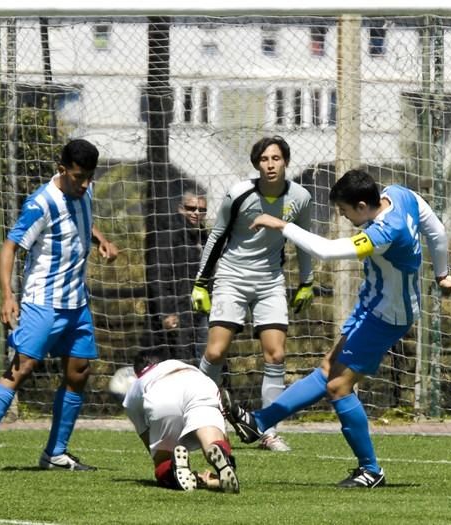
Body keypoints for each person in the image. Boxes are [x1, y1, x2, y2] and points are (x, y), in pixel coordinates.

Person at [222, 169, 451, 488]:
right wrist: (442, 275)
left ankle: (371, 470)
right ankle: (259, 422)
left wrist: (283, 225)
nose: (342, 216)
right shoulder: (400, 194)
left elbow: (326, 252)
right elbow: (436, 230)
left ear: (360, 205)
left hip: (387, 316)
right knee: (328, 368)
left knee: (338, 386)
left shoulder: (386, 231)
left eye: (344, 211)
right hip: (373, 304)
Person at [0, 138, 118, 473]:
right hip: (42, 303)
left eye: (90, 176)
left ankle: (56, 453)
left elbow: (83, 225)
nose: (86, 183)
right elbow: (9, 248)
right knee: (22, 368)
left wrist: (101, 239)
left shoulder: (84, 192)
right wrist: (7, 295)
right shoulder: (41, 203)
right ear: (62, 170)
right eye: (79, 176)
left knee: (79, 372)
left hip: (77, 303)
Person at [191, 136, 314, 452]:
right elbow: (217, 236)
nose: (270, 165)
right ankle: (198, 418)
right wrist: (201, 282)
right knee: (216, 353)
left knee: (276, 354)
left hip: (270, 281)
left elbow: (303, 240)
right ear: (256, 164)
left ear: (286, 161)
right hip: (231, 277)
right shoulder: (239, 193)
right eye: (264, 159)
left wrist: (306, 282)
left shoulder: (300, 197)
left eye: (276, 158)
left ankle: (268, 430)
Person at [123, 347, 239, 493]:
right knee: (213, 442)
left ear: (138, 372)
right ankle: (218, 449)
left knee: (162, 463)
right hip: (200, 385)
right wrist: (229, 463)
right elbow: (224, 432)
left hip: (161, 392)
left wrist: (161, 457)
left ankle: (173, 468)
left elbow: (146, 437)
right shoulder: (185, 366)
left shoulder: (136, 386)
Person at [146, 188, 209, 361]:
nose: (197, 213)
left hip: (201, 308)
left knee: (206, 354)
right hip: (179, 309)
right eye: (191, 208)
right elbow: (158, 276)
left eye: (202, 209)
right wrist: (166, 312)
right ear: (181, 208)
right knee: (182, 357)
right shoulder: (169, 235)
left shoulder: (202, 235)